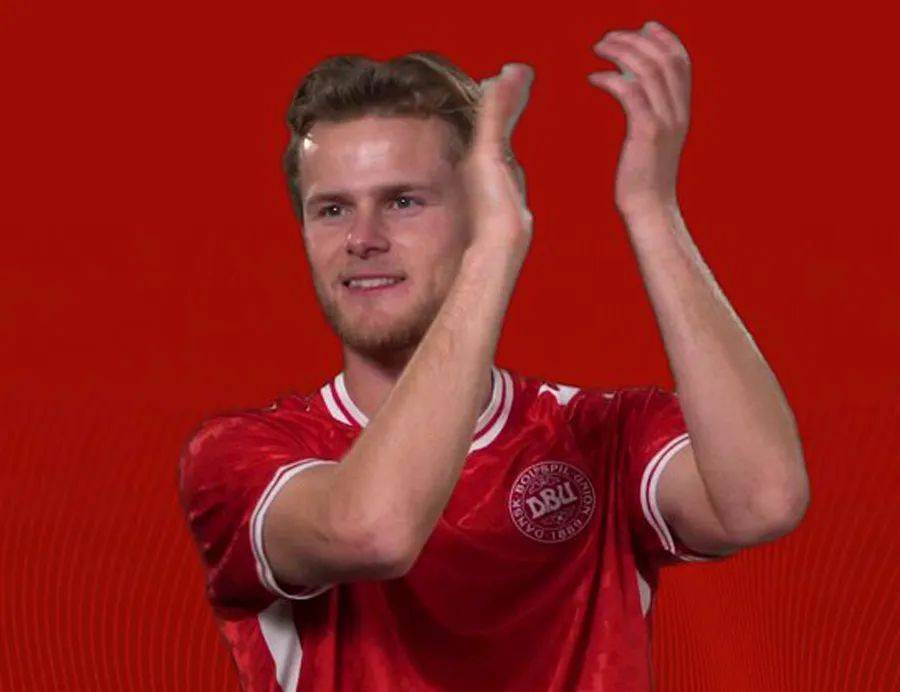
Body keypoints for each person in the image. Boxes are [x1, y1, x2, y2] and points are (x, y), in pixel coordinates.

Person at [177, 20, 810, 691]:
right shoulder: (237, 458)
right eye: (331, 209)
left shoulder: (595, 436)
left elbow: (763, 501)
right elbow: (373, 529)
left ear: (481, 207)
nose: (362, 238)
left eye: (402, 201)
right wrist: (493, 250)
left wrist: (651, 209)